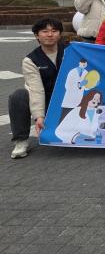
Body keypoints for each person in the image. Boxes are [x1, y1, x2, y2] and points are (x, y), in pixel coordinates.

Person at [8, 18, 66, 159]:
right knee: (18, 95)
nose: (50, 35)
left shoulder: (71, 51)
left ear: (60, 34)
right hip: (47, 102)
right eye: (45, 31)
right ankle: (21, 141)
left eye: (54, 31)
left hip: (72, 101)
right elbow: (36, 89)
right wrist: (39, 116)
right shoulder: (30, 60)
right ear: (36, 35)